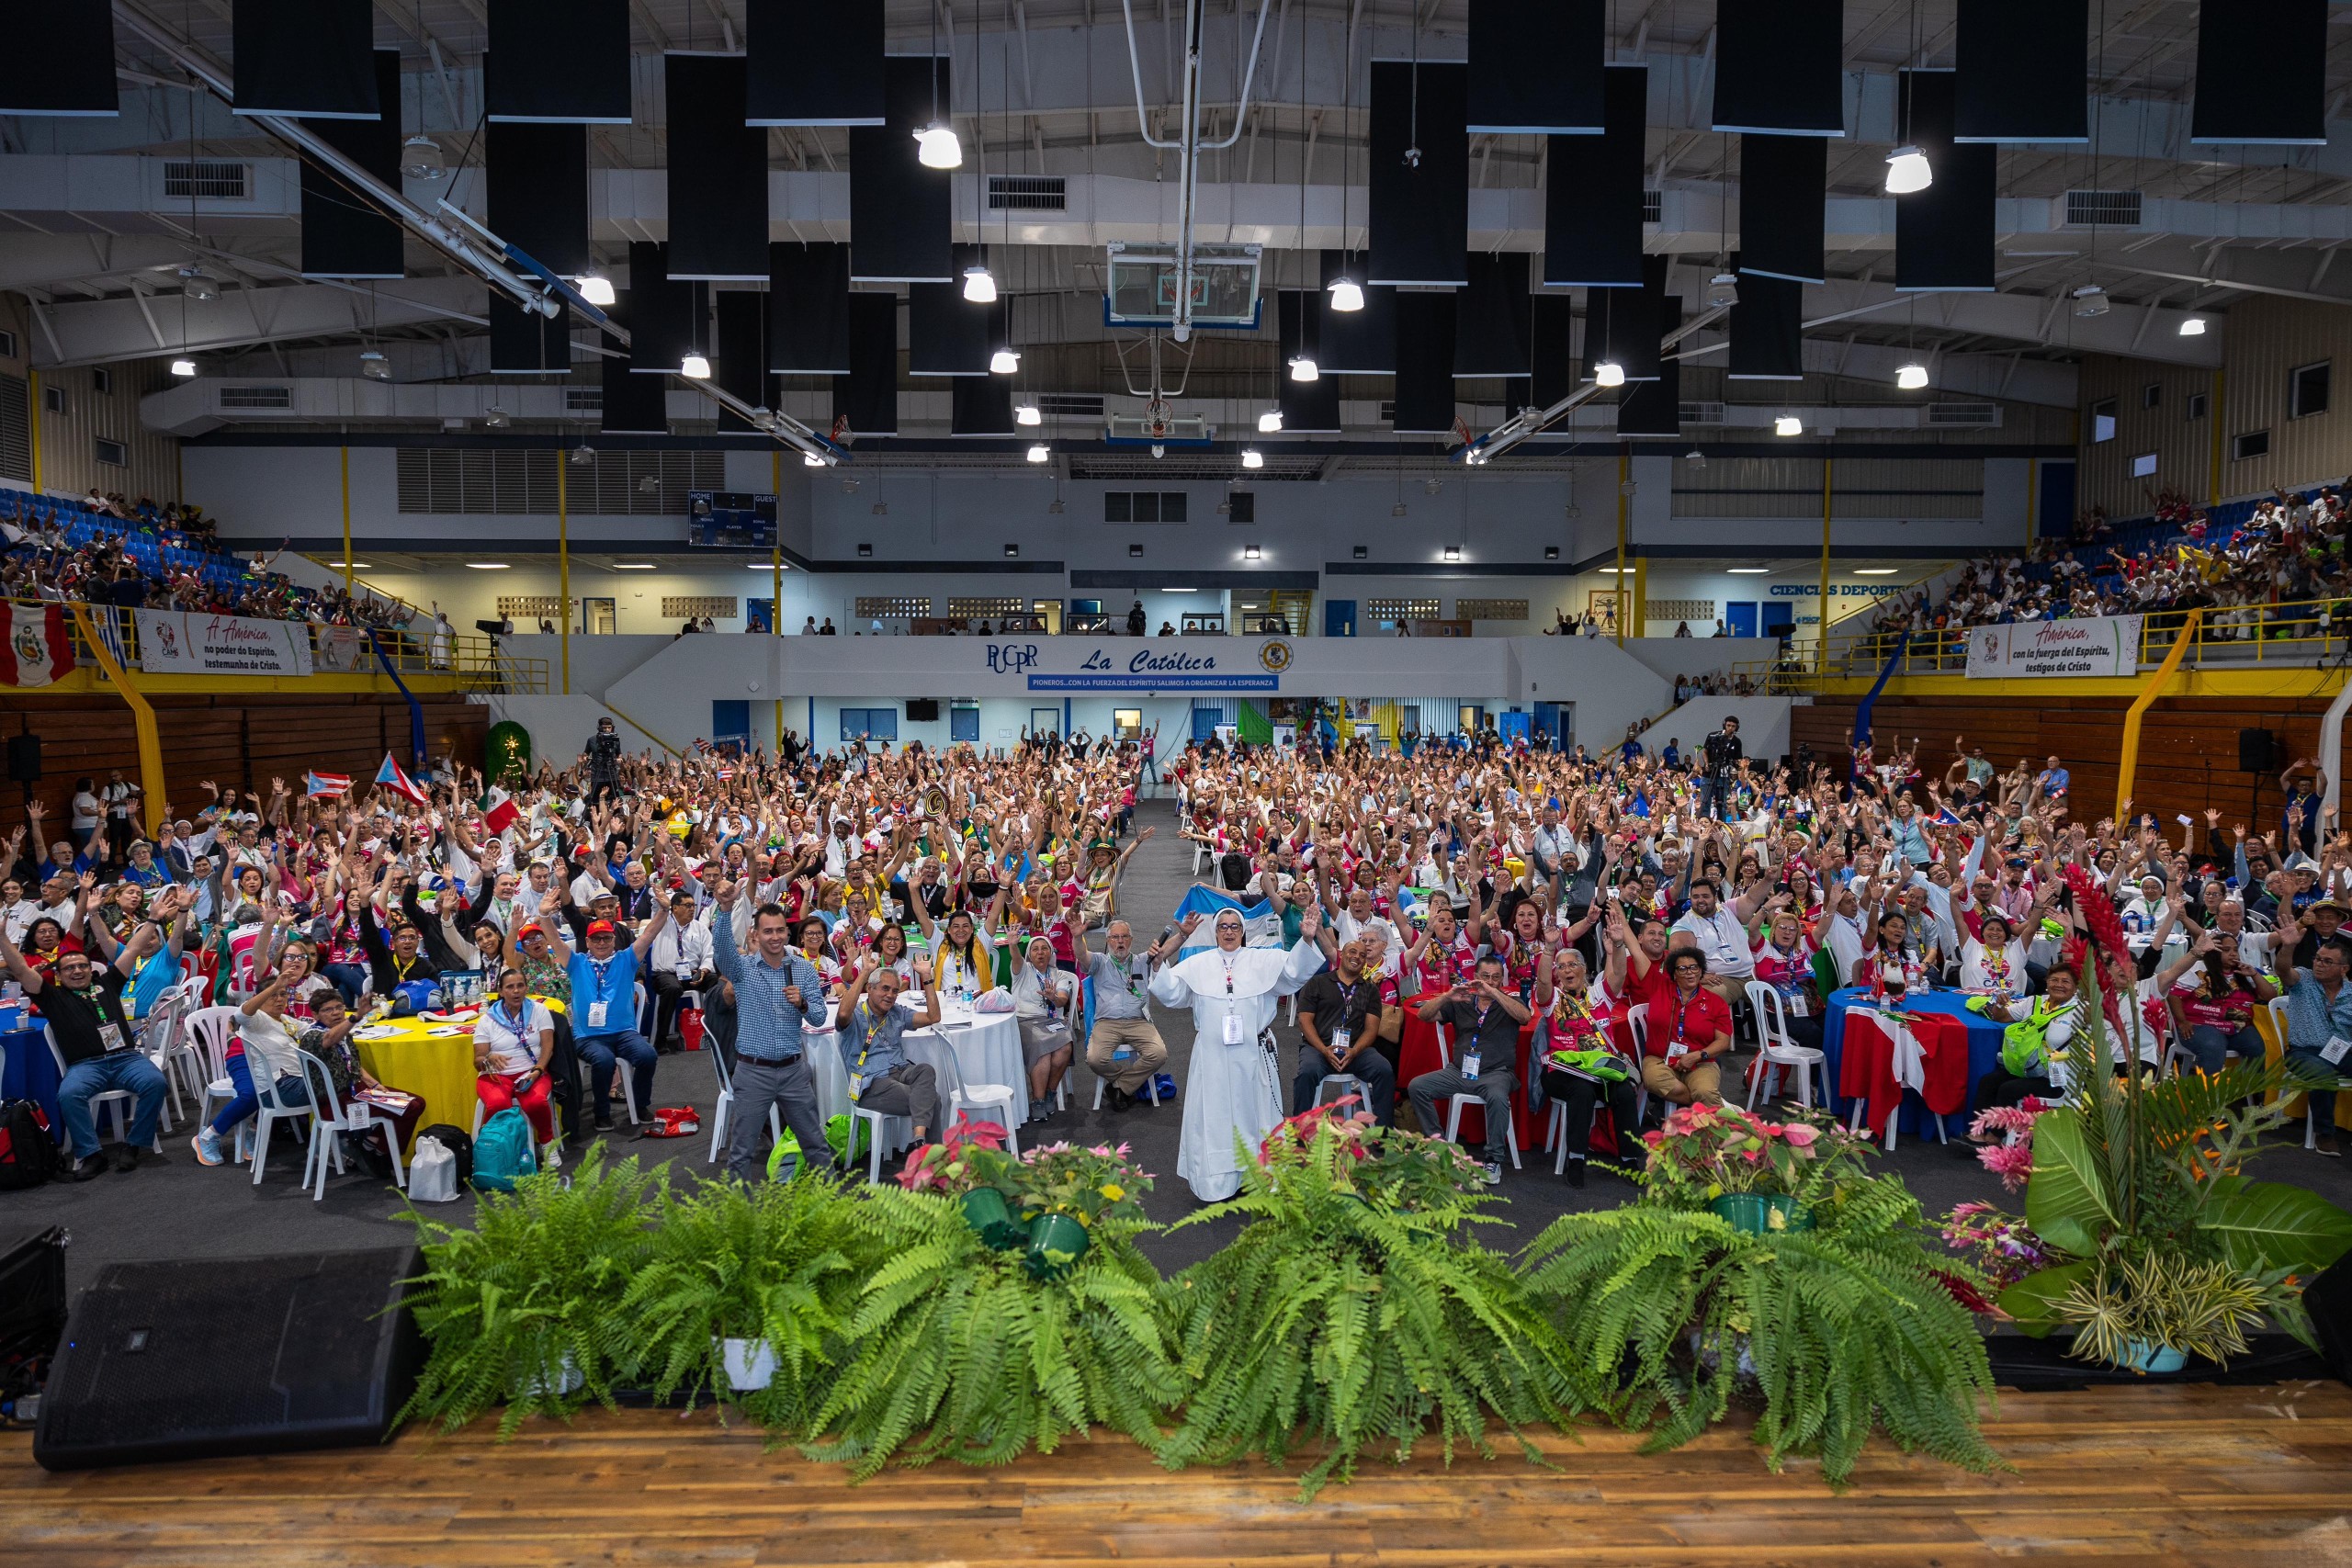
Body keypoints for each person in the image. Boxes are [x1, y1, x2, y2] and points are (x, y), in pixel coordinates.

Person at [1148, 903, 1329, 1201]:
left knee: (1255, 1114)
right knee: (1214, 1117)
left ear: (1243, 932)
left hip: (1252, 1054)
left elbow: (1293, 975)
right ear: (1216, 931)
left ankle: (1258, 1177)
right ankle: (1216, 1184)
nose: (1229, 931)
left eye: (1235, 926)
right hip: (1212, 1056)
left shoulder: (1262, 961)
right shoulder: (1199, 963)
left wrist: (1307, 939)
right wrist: (1158, 965)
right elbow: (1172, 994)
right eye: (1223, 926)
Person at [0, 910, 164, 1179]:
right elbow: (19, 968)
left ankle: (134, 1144)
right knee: (69, 1095)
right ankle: (92, 1154)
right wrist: (3, 937)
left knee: (155, 1083)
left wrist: (154, 919)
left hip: (126, 1058)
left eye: (82, 966)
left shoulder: (108, 983)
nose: (77, 971)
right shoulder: (51, 996)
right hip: (86, 1066)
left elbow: (133, 948)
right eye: (69, 968)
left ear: (91, 969)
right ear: (59, 975)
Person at [708, 881, 833, 1182]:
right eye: (768, 931)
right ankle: (739, 1216)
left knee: (815, 1144)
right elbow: (723, 951)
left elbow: (818, 1017)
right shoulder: (742, 969)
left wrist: (802, 1003)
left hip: (793, 1071)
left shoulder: (802, 969)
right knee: (742, 1150)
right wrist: (725, 911)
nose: (775, 937)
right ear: (756, 934)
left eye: (779, 930)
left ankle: (833, 1208)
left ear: (787, 933)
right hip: (753, 1072)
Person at [533, 888, 669, 1132]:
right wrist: (544, 916)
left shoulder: (626, 959)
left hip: (624, 1033)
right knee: (604, 1061)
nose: (602, 943)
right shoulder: (576, 962)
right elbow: (554, 940)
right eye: (596, 939)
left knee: (647, 1055)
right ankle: (601, 1112)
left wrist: (664, 910)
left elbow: (648, 935)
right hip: (588, 1037)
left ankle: (639, 1105)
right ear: (588, 942)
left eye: (606, 938)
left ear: (614, 940)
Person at [1409, 953, 1532, 1183]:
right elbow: (1423, 1016)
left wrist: (1495, 993)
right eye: (1485, 976)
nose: (1490, 981)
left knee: (1497, 1098)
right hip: (1459, 1072)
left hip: (1497, 1073)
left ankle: (1493, 1160)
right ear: (1475, 977)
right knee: (1418, 1086)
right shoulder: (1462, 1002)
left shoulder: (1509, 1002)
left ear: (1502, 980)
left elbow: (1525, 1017)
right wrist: (1447, 996)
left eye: (1496, 977)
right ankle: (1437, 1143)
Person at [835, 957, 944, 1158]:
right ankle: (931, 1156)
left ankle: (920, 1142)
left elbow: (933, 1017)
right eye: (885, 989)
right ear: (870, 988)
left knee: (926, 1070)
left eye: (895, 991)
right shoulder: (856, 1014)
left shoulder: (897, 1012)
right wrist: (865, 972)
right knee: (932, 1099)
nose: (890, 995)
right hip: (871, 1082)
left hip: (900, 1071)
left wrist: (926, 977)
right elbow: (842, 1013)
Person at [1294, 935, 1399, 1124]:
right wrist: (1324, 1049)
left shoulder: (1370, 990)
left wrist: (1354, 1051)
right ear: (1341, 955)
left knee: (1384, 1070)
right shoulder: (1317, 983)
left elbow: (1371, 1030)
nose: (1357, 957)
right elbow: (1304, 1022)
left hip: (1356, 1051)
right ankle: (1298, 1133)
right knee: (1307, 1073)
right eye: (1352, 952)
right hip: (1319, 1048)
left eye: (1362, 955)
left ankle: (1384, 1135)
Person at [2277, 929, 2352, 1157]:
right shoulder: (2304, 979)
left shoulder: (2350, 992)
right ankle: (2324, 1134)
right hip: (2303, 1052)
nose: (2319, 964)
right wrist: (2288, 946)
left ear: (2344, 969)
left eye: (2327, 961)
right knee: (2323, 1074)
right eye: (2317, 959)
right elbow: (2282, 970)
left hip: (2341, 1051)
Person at [1080, 919, 1170, 1109]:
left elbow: (1166, 949)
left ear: (1131, 940)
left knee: (1158, 1053)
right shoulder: (1099, 961)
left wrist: (1184, 935)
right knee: (1095, 1059)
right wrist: (1077, 936)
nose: (1120, 941)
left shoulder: (1143, 961)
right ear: (1108, 940)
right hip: (1107, 1023)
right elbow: (1081, 954)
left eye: (1124, 937)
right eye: (1115, 937)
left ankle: (1119, 1087)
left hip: (1139, 1021)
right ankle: (1126, 1084)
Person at [473, 965, 559, 1148]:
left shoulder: (539, 1010)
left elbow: (548, 1047)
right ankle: (491, 1149)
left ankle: (547, 1143)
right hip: (495, 1076)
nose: (516, 991)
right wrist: (488, 1059)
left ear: (527, 988)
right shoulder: (487, 1020)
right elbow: (477, 1061)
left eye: (520, 985)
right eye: (510, 987)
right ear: (501, 991)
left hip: (532, 1073)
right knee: (497, 1104)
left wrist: (538, 1070)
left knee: (536, 1102)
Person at [1641, 946, 1732, 1109]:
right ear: (1674, 974)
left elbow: (1723, 1041)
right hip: (1659, 1059)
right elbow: (1637, 953)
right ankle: (1714, 1105)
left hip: (1701, 1062)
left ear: (1701, 971)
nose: (1689, 972)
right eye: (1682, 968)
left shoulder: (1716, 1003)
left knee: (1705, 1092)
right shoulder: (1660, 988)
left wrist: (1697, 1055)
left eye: (1694, 967)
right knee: (1653, 1079)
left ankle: (1720, 1125)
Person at [1009, 934, 1076, 1119]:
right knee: (1042, 1050)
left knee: (1065, 1047)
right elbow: (1015, 958)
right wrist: (1013, 946)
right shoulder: (1023, 969)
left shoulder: (1059, 975)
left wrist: (1053, 997)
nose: (1040, 953)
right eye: (1035, 949)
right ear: (1029, 954)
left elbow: (1062, 1000)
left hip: (1053, 1021)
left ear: (1051, 952)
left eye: (1044, 948)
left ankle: (1049, 1093)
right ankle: (1038, 1099)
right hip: (1026, 1020)